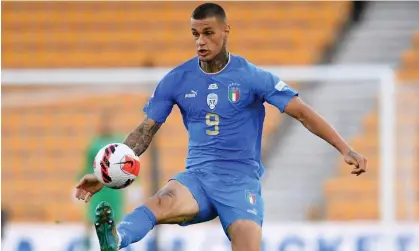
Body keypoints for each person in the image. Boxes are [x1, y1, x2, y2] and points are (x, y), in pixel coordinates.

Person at [75, 3, 367, 251]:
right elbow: (145, 131)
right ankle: (117, 238)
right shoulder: (177, 79)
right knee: (159, 204)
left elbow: (302, 113)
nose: (200, 41)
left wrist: (345, 148)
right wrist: (107, 174)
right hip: (198, 178)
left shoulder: (252, 77)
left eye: (207, 33)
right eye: (195, 34)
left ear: (226, 31)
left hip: (240, 182)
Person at [77, 110, 125, 251]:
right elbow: (86, 167)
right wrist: (78, 184)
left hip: (115, 191)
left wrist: (136, 185)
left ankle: (117, 246)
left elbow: (128, 166)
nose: (107, 125)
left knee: (116, 219)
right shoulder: (94, 144)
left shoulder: (119, 142)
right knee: (91, 218)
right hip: (97, 190)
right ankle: (85, 246)